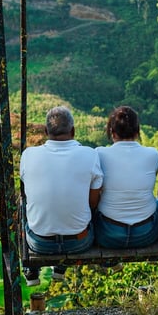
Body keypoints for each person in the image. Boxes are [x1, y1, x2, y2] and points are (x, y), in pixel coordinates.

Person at [20, 106, 103, 285]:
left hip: (39, 243)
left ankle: (31, 270)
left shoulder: (28, 155)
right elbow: (93, 202)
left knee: (23, 203)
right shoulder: (90, 154)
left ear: (45, 131)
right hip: (79, 241)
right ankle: (60, 268)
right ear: (73, 131)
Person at [94, 106, 158, 249]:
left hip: (109, 234)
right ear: (137, 132)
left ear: (112, 132)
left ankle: (108, 263)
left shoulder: (99, 154)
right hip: (146, 233)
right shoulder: (152, 154)